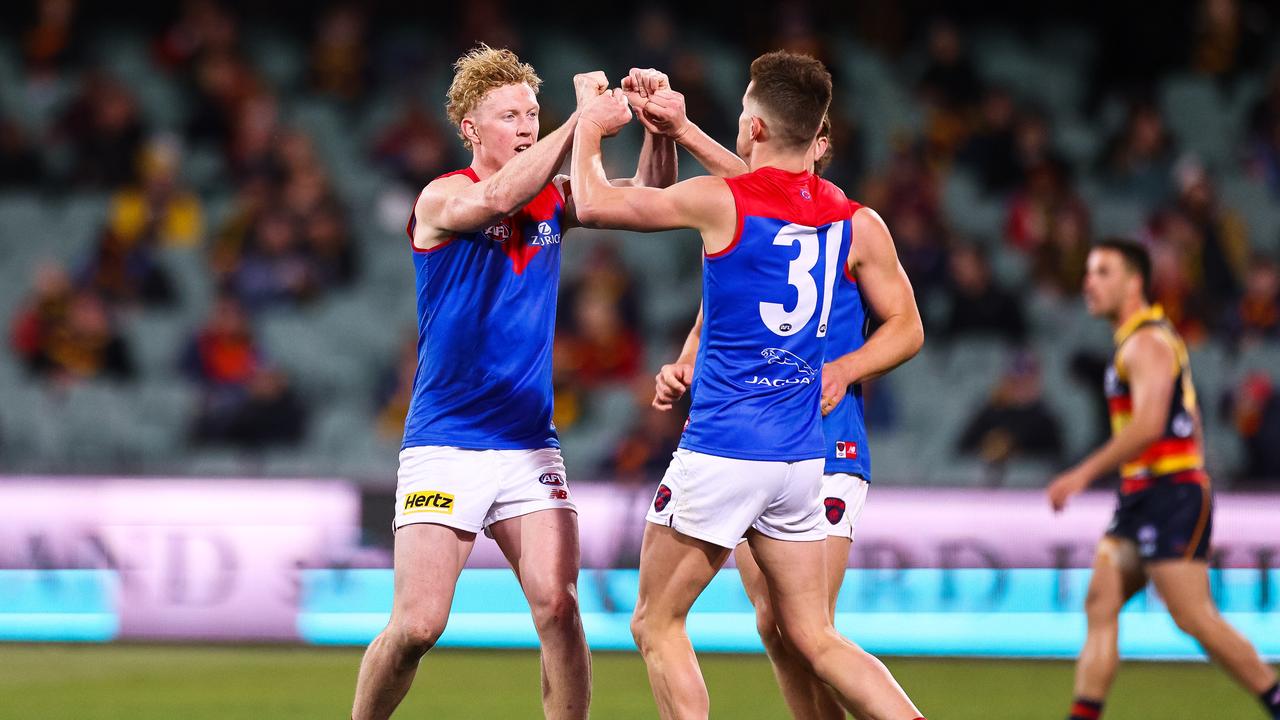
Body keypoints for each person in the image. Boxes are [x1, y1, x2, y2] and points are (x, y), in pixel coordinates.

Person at [571, 51, 925, 720]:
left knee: (655, 623)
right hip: (798, 459)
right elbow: (766, 193)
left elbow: (591, 201)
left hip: (726, 446)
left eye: (740, 116)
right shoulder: (846, 217)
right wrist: (676, 131)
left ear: (756, 128)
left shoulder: (723, 201)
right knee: (811, 634)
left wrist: (591, 122)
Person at [350, 45, 676, 720]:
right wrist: (581, 122)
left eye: (532, 111)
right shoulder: (442, 195)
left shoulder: (555, 199)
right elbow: (498, 195)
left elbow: (646, 198)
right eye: (508, 115)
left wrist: (657, 127)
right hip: (447, 441)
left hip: (529, 445)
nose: (526, 124)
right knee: (417, 626)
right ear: (469, 128)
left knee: (559, 607)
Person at [1047, 238, 1280, 720]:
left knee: (1192, 615)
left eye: (1102, 272)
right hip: (1142, 493)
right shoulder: (1135, 341)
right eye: (1089, 271)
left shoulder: (1147, 341)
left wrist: (1082, 473)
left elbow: (1151, 424)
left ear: (1134, 282)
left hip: (1171, 492)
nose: (1089, 282)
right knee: (1101, 600)